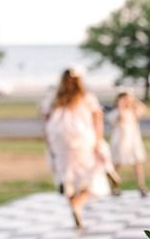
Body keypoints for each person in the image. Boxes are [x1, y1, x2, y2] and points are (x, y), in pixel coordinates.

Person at [43, 68, 120, 228]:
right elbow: (97, 119)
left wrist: (50, 144)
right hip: (83, 140)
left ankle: (73, 201)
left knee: (67, 177)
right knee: (93, 174)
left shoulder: (54, 99)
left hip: (60, 142)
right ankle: (79, 201)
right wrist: (98, 141)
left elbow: (46, 122)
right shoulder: (86, 97)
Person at [109, 91, 149, 197]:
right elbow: (120, 117)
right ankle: (114, 187)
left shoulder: (133, 112)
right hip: (120, 142)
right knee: (117, 164)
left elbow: (143, 108)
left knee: (137, 164)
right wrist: (121, 105)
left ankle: (141, 186)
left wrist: (133, 100)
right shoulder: (116, 113)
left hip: (133, 142)